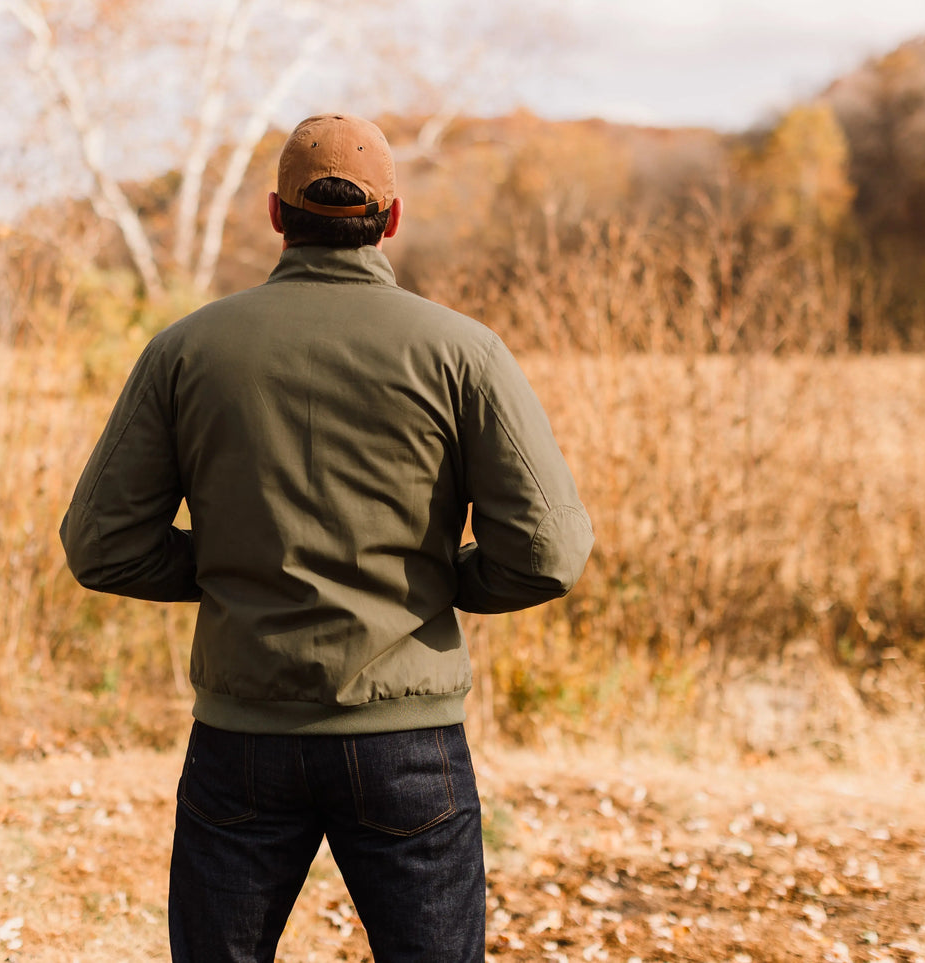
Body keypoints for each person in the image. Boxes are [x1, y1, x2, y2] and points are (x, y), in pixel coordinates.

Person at [60, 113, 594, 963]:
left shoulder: (186, 349)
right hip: (407, 746)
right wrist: (436, 581)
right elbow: (547, 554)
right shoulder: (463, 351)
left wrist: (238, 567)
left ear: (277, 215)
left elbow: (101, 544)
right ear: (391, 218)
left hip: (241, 739)